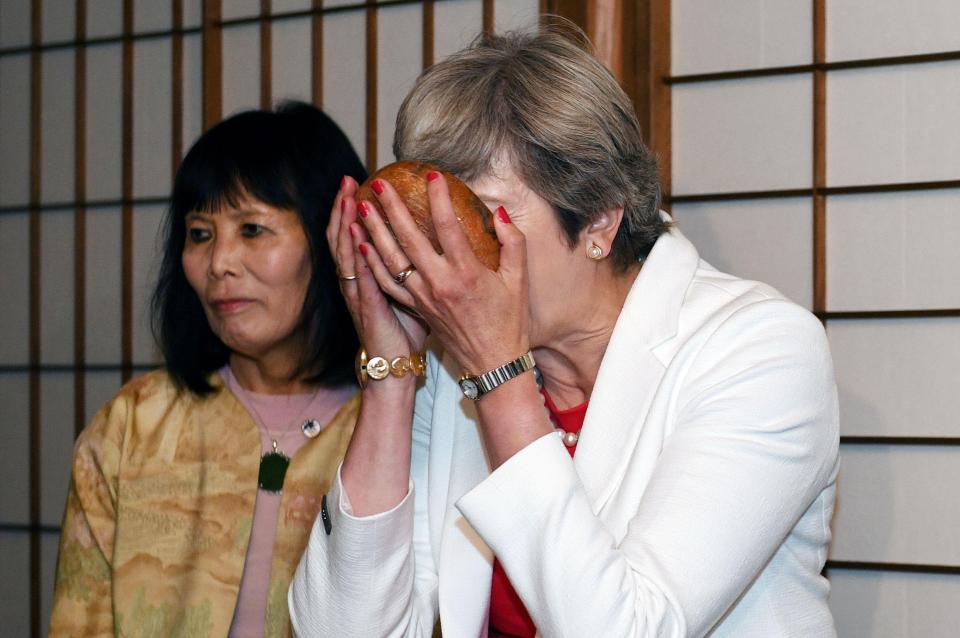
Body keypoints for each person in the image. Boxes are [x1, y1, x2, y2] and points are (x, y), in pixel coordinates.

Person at [290, 28, 840, 638]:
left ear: (599, 220)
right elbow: (341, 629)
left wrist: (499, 374)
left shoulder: (761, 350)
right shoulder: (451, 363)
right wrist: (391, 375)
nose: (447, 260)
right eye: (429, 220)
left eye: (480, 218)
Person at [49, 102, 367, 637]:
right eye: (200, 234)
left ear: (333, 235)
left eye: (252, 229)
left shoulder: (395, 423)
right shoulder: (132, 425)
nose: (219, 261)